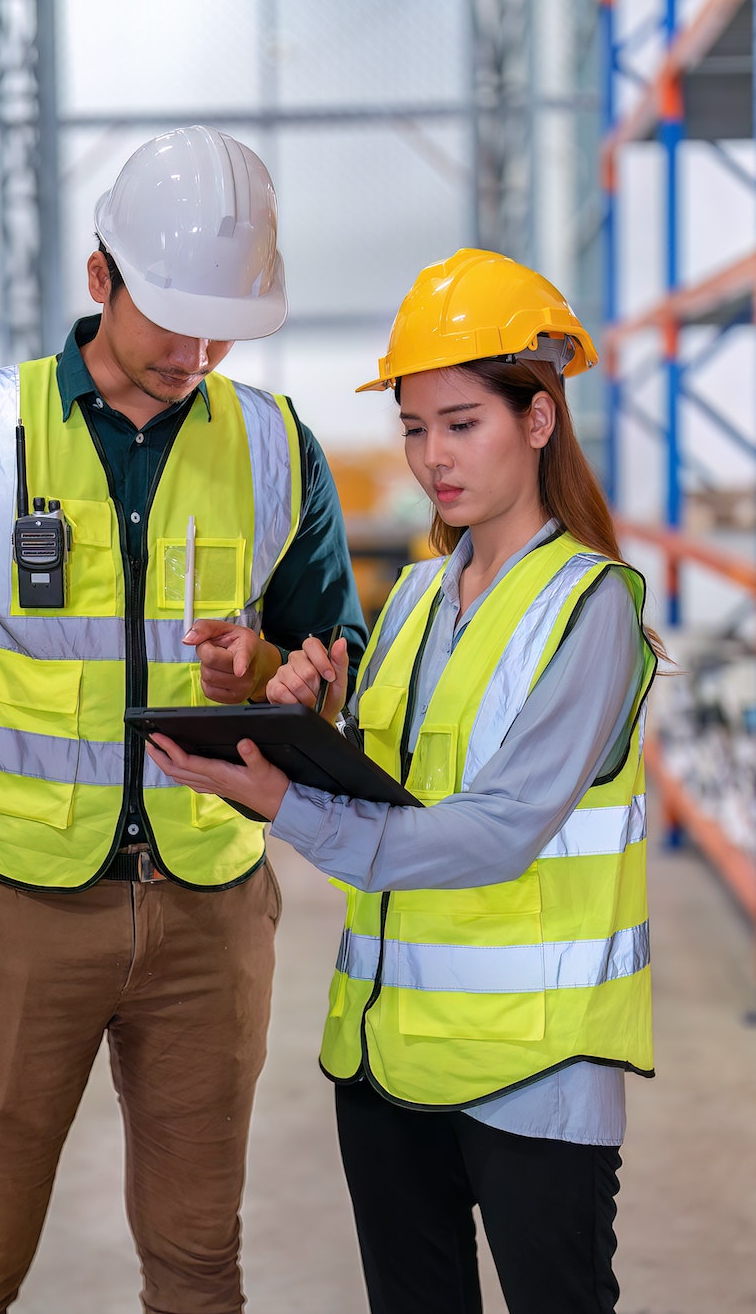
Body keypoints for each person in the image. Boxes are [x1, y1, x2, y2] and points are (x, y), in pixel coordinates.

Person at [0, 125, 366, 1313]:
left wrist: (281, 669)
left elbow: (340, 658)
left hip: (209, 915)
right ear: (97, 277)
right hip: (20, 913)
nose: (196, 351)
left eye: (220, 325)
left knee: (195, 1270)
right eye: (171, 315)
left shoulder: (276, 451)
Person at [147, 250, 661, 1314]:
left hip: (532, 1069)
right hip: (385, 1062)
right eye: (413, 425)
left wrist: (287, 807)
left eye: (461, 422)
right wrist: (291, 704)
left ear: (537, 418)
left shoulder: (589, 608)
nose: (432, 457)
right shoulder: (420, 593)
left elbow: (495, 831)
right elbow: (396, 781)